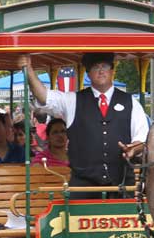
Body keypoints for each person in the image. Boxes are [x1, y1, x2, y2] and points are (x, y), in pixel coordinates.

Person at [21, 52, 147, 188]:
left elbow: (143, 139)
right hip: (83, 185)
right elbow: (44, 97)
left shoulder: (131, 102)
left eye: (104, 66)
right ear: (88, 73)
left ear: (112, 70)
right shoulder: (72, 100)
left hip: (121, 183)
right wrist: (28, 70)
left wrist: (133, 149)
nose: (100, 71)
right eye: (95, 67)